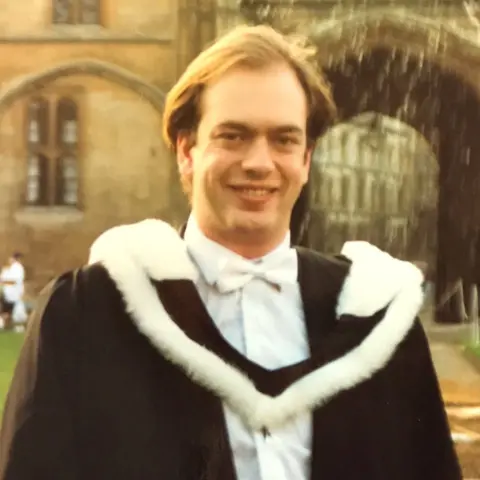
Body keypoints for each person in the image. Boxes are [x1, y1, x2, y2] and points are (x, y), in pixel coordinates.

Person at [0, 25, 460, 480]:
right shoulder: (87, 315)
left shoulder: (377, 322)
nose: (259, 163)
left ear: (306, 158)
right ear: (186, 150)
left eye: (284, 139)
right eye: (233, 136)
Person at [0, 253, 25, 331]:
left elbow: (14, 281)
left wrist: (3, 282)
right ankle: (6, 325)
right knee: (7, 311)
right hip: (11, 294)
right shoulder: (12, 268)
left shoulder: (17, 267)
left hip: (12, 295)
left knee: (8, 311)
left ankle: (7, 325)